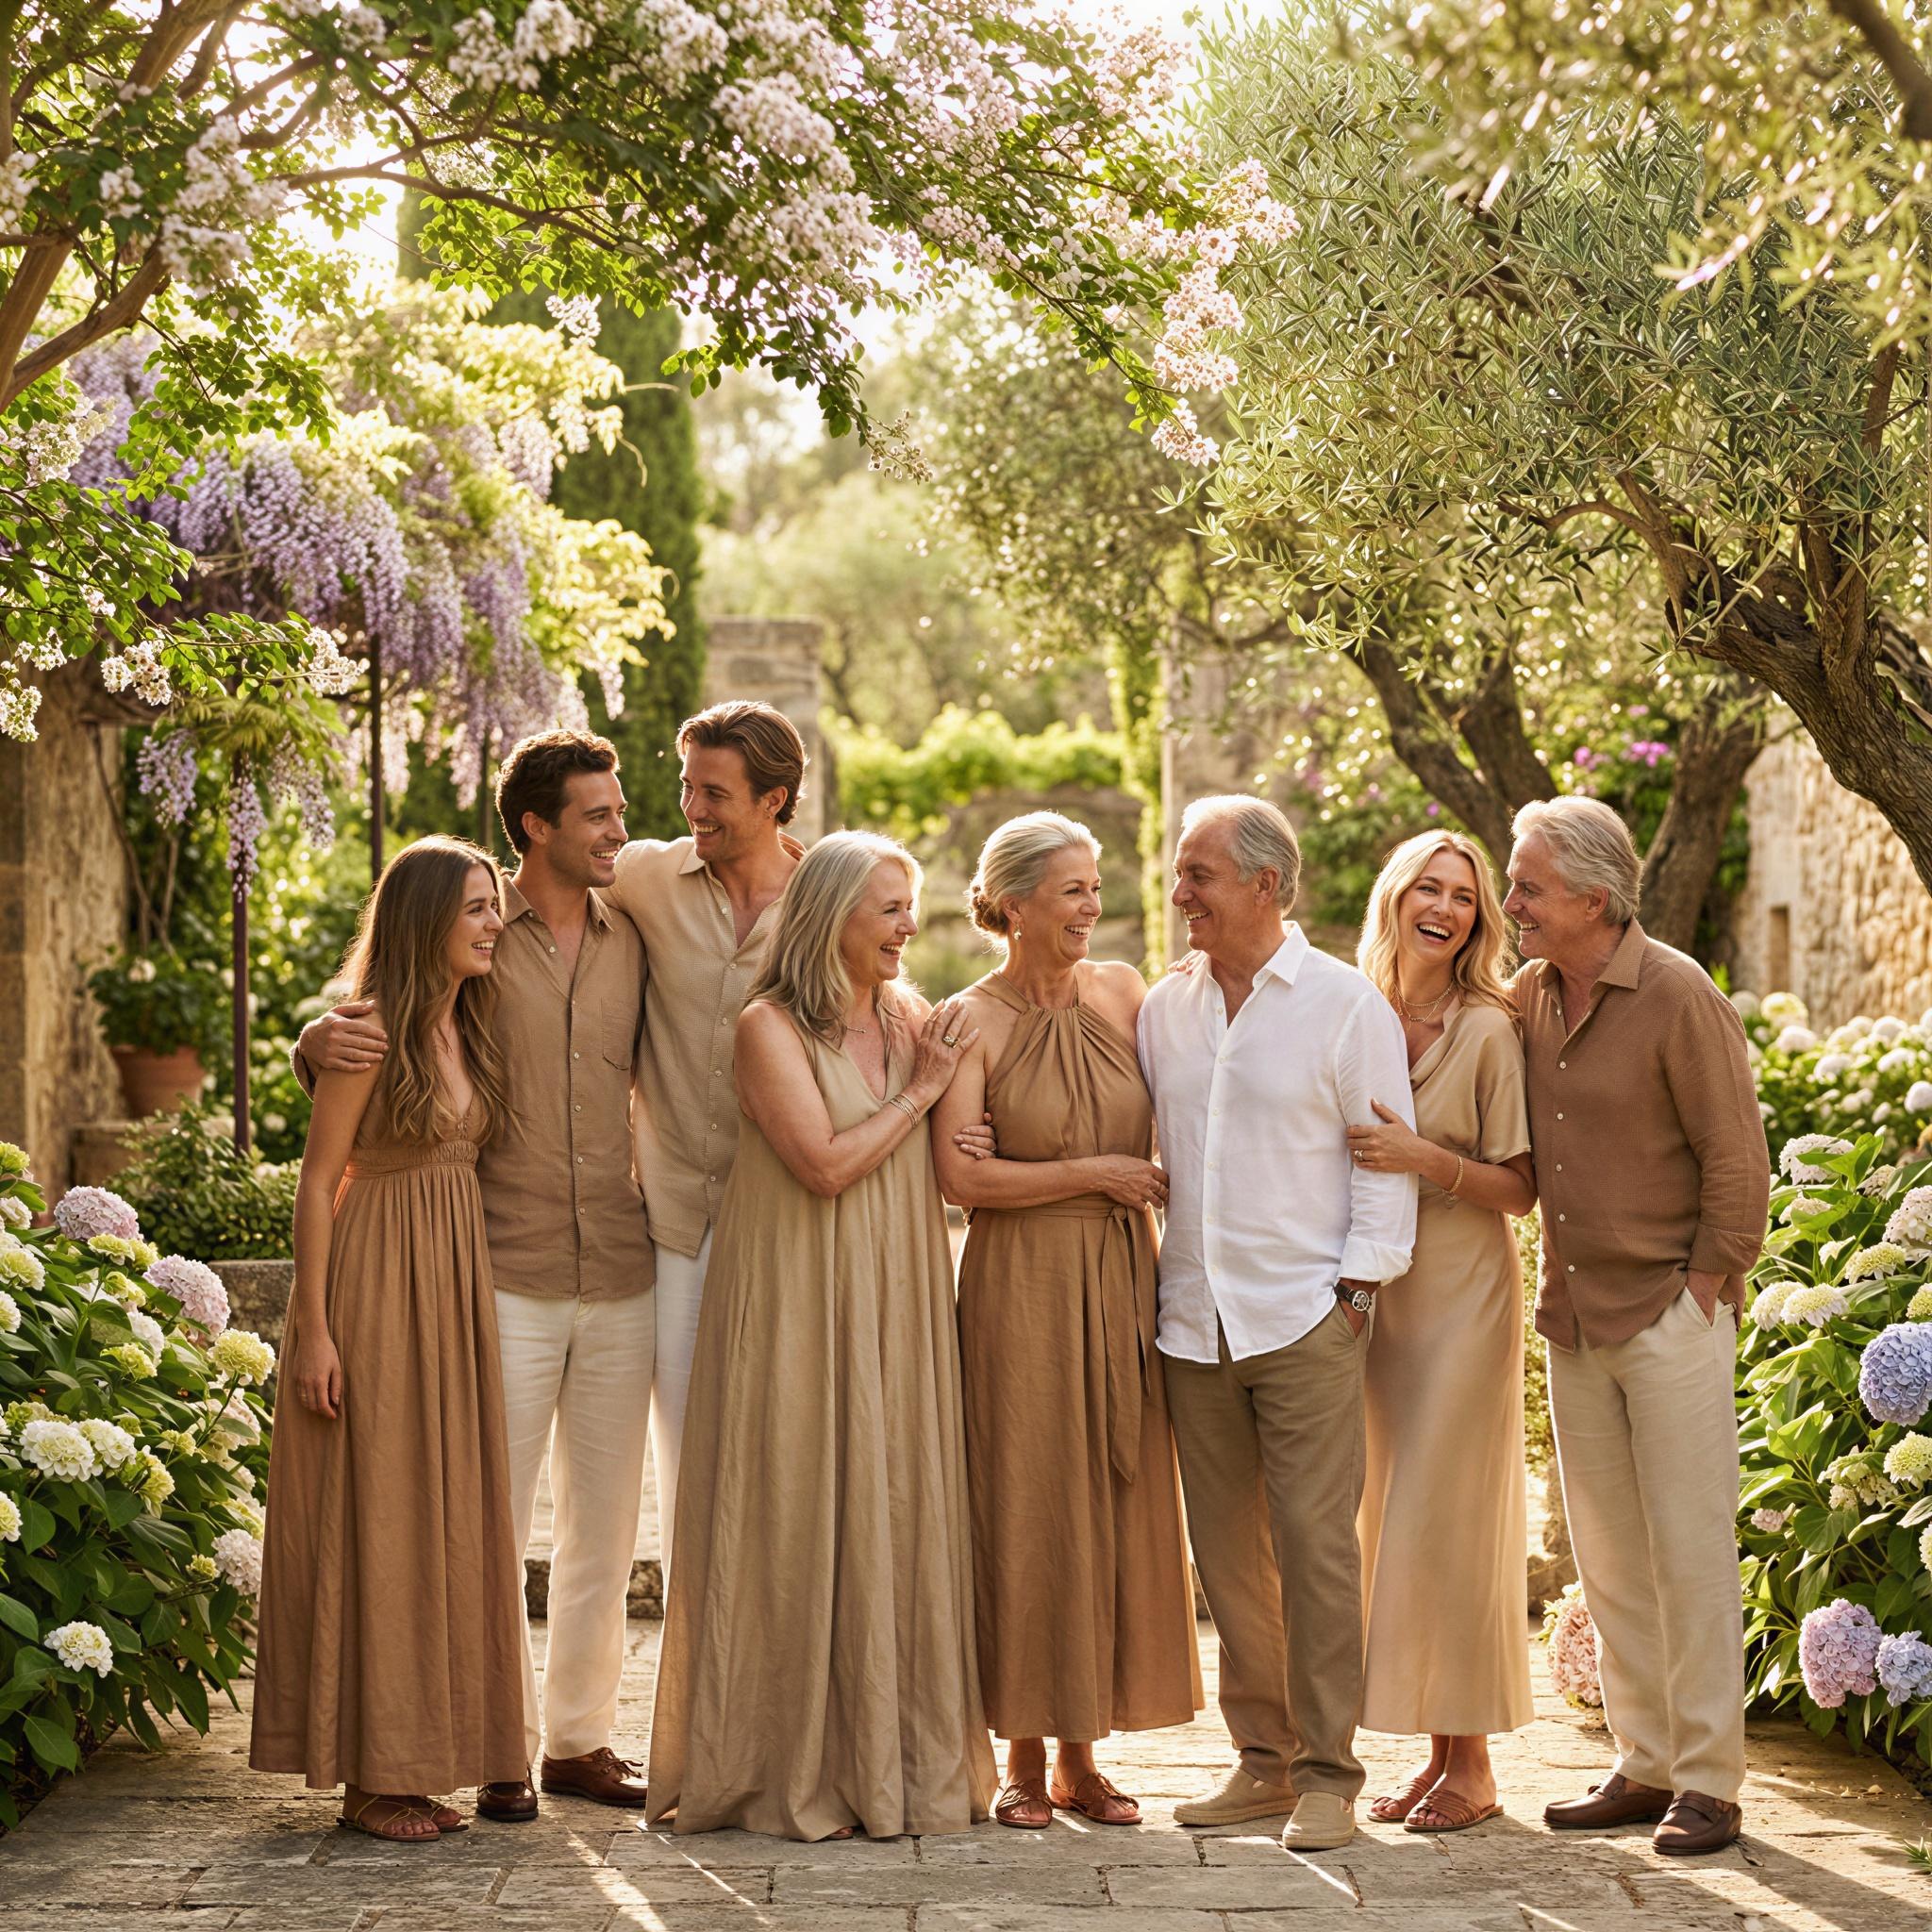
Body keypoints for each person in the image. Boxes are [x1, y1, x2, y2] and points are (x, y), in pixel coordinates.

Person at [293, 733, 654, 1820]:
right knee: (472, 1514)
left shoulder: (635, 928)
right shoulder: (474, 951)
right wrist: (314, 1038)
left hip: (624, 1261)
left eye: (621, 810)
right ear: (536, 823)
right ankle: (493, 1738)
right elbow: (369, 1020)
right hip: (485, 1266)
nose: (618, 828)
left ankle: (576, 1741)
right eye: (596, 813)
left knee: (603, 1523)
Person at [647, 831, 997, 1841]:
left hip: (895, 1288)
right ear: (829, 914)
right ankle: (781, 1764)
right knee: (794, 1501)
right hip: (796, 1288)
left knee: (892, 1494)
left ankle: (891, 1759)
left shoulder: (913, 1017)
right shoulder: (767, 1027)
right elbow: (824, 1163)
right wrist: (924, 1096)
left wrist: (959, 1129)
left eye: (909, 907)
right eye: (887, 907)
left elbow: (940, 1157)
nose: (905, 926)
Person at [1139, 795, 1416, 1855]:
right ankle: (1259, 1759)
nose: (1178, 893)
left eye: (1197, 873)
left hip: (1305, 1316)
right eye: (1178, 871)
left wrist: (1354, 1292)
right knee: (1227, 1558)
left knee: (1313, 1550)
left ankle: (1328, 1774)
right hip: (1191, 1320)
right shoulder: (1167, 1007)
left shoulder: (1345, 1006)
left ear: (1265, 883)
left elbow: (1381, 1158)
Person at [1504, 796, 1769, 1857]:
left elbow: (1734, 1158)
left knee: (1690, 1551)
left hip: (1667, 1310)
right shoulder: (1529, 994)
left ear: (1592, 897)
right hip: (1572, 1314)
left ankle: (1708, 1780)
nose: (1511, 902)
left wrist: (1704, 1282)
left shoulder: (1675, 993)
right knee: (1608, 1554)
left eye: (1526, 886)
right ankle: (1643, 1756)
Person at [930, 812, 1200, 1830]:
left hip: (1124, 1275)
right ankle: (1019, 1753)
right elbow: (960, 1175)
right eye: (1072, 890)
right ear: (1013, 903)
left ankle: (1084, 1756)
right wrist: (1093, 1172)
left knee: (1112, 1493)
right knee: (1026, 1497)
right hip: (1019, 1284)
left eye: (1095, 887)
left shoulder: (1125, 990)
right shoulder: (970, 1020)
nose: (1093, 906)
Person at [252, 837, 525, 1840]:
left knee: (434, 1517)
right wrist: (314, 1327)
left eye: (495, 904)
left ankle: (416, 1758)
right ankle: (368, 1779)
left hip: (449, 1287)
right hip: (373, 1284)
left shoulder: (470, 1021)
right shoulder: (363, 1033)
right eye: (475, 909)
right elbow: (317, 1184)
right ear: (422, 923)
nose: (494, 923)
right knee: (375, 1515)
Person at [1341, 831, 1538, 1833]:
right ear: (1396, 895)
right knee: (1395, 1523)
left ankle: (1475, 1766)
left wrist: (1424, 1157)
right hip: (1376, 1301)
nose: (1446, 906)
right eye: (1429, 885)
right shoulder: (1349, 1009)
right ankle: (1436, 1754)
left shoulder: (1487, 1028)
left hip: (1463, 1294)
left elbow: (1519, 1186)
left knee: (1448, 1519)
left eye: (1463, 895)